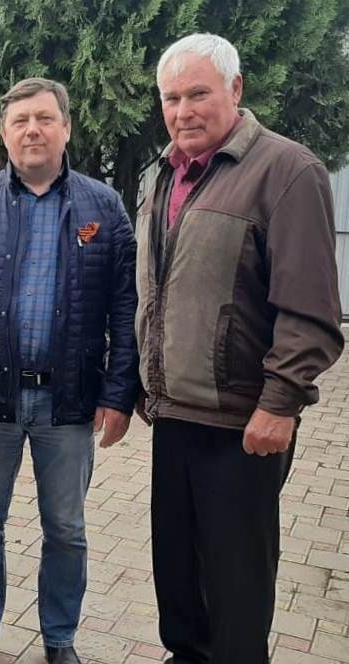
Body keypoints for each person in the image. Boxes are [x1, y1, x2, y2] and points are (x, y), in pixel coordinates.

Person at [135, 33, 343, 663]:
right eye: (171, 98)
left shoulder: (287, 171)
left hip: (243, 424)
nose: (183, 111)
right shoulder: (159, 175)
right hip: (172, 416)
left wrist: (280, 403)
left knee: (236, 585)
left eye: (198, 93)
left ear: (236, 89)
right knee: (177, 577)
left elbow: (311, 311)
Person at [0, 78, 139, 664]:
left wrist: (120, 393)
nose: (32, 129)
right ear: (4, 132)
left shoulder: (105, 208)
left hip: (69, 402)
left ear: (66, 128)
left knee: (67, 531)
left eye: (44, 118)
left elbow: (126, 309)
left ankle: (60, 639)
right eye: (20, 119)